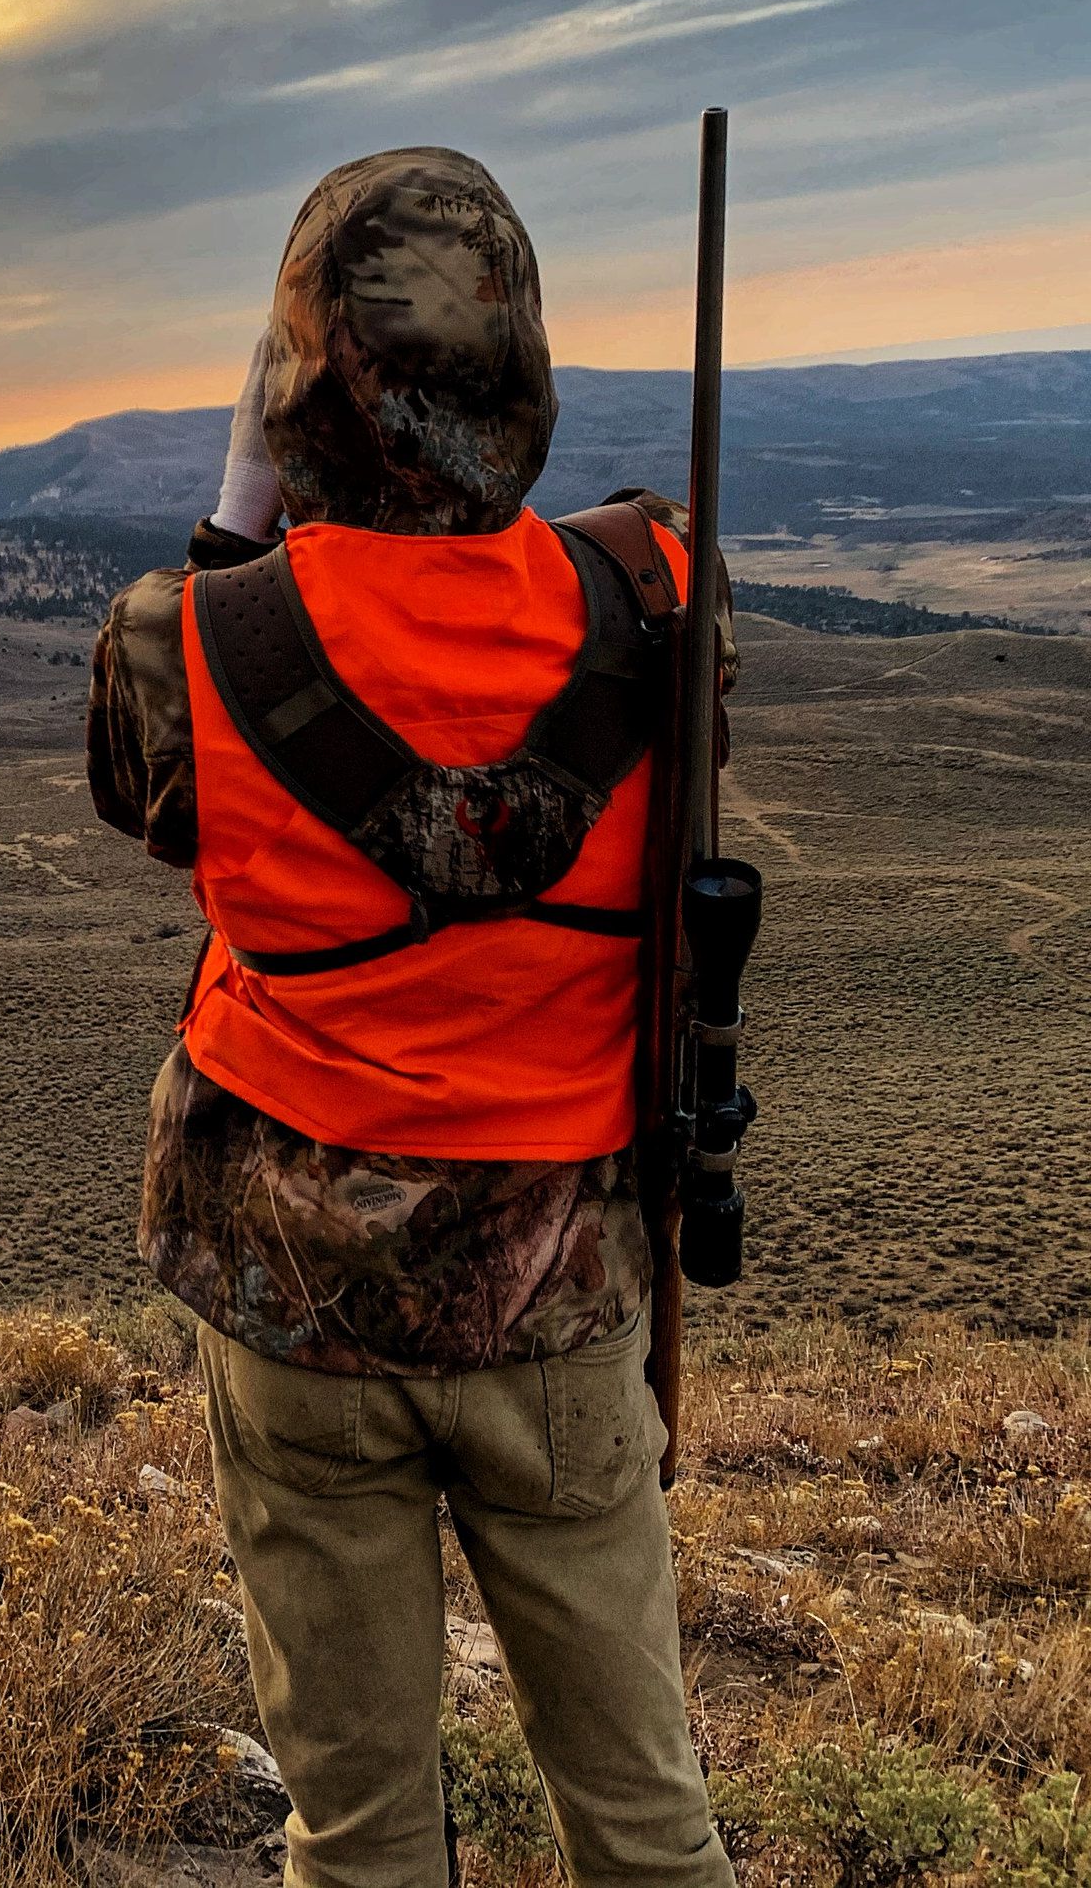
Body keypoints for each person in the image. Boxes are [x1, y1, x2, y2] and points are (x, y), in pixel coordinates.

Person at [86, 148, 735, 1888]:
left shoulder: (189, 648)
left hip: (290, 1314)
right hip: (563, 1302)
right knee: (648, 1823)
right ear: (520, 368)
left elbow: (141, 775)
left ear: (298, 385)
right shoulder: (665, 595)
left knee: (359, 1831)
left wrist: (244, 499)